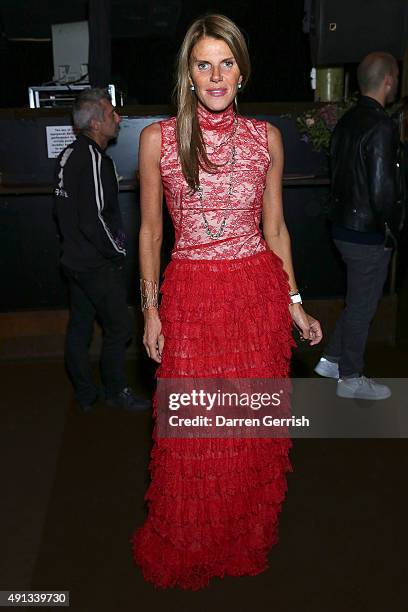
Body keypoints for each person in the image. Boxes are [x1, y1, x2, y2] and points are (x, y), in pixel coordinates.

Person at [132, 14, 322, 590]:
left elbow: (277, 231)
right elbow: (149, 234)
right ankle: (192, 540)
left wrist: (295, 304)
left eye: (226, 63)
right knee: (193, 435)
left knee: (246, 433)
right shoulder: (157, 140)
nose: (215, 75)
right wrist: (149, 308)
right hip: (190, 299)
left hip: (255, 302)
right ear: (188, 74)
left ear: (242, 71)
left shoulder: (267, 139)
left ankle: (240, 534)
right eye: (203, 64)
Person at [54, 88, 151, 412]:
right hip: (94, 263)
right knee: (121, 327)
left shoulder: (69, 153)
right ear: (95, 123)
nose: (118, 118)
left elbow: (65, 213)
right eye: (111, 114)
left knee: (80, 327)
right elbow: (95, 218)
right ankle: (115, 389)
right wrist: (119, 250)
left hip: (73, 261)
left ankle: (84, 393)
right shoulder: (94, 159)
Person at [315, 52, 402, 400]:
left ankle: (332, 359)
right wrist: (391, 231)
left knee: (357, 300)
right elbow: (383, 189)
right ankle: (350, 376)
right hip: (367, 232)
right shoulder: (381, 125)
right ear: (389, 80)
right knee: (364, 306)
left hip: (343, 227)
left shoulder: (347, 121)